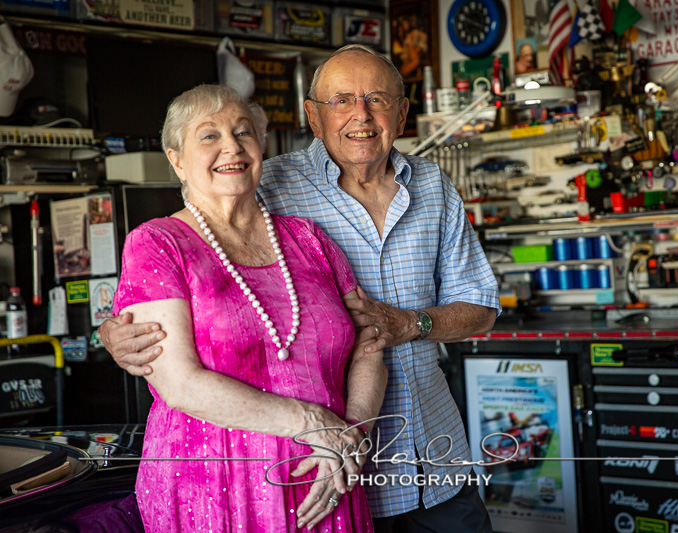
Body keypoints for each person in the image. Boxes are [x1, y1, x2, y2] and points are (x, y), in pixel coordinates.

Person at [101, 44, 500, 533]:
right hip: (307, 474)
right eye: (342, 101)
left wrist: (413, 324)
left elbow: (481, 309)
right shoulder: (265, 182)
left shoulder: (432, 186)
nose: (362, 115)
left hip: (425, 460)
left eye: (377, 99)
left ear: (401, 111)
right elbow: (184, 271)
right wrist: (119, 331)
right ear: (313, 116)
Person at [112, 84, 385, 532]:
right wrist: (312, 422)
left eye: (243, 132)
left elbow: (370, 345)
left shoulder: (308, 239)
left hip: (329, 475)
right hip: (213, 487)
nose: (231, 147)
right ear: (176, 159)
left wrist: (348, 436)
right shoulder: (156, 244)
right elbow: (179, 384)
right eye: (208, 136)